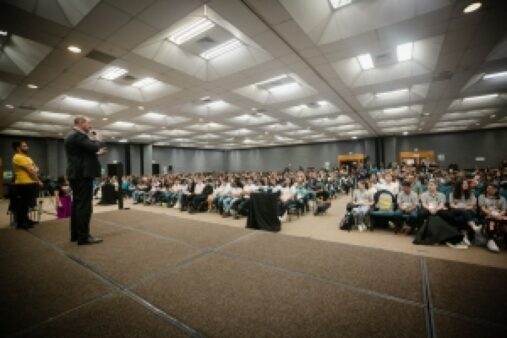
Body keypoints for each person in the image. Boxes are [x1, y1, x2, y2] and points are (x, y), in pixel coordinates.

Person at [64, 116, 107, 245]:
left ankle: (76, 235)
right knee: (84, 207)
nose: (91, 125)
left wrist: (96, 154)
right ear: (80, 123)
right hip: (82, 174)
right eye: (89, 122)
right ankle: (84, 237)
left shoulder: (71, 135)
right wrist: (98, 139)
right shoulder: (78, 135)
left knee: (77, 205)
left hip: (76, 173)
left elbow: (82, 154)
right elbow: (94, 147)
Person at [11, 141, 43, 229]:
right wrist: (38, 181)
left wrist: (34, 170)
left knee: (27, 204)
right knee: (22, 204)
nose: (27, 147)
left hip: (30, 183)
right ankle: (21, 223)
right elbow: (30, 171)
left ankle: (26, 220)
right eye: (24, 146)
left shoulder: (27, 158)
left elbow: (36, 168)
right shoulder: (17, 157)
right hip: (23, 183)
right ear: (18, 148)